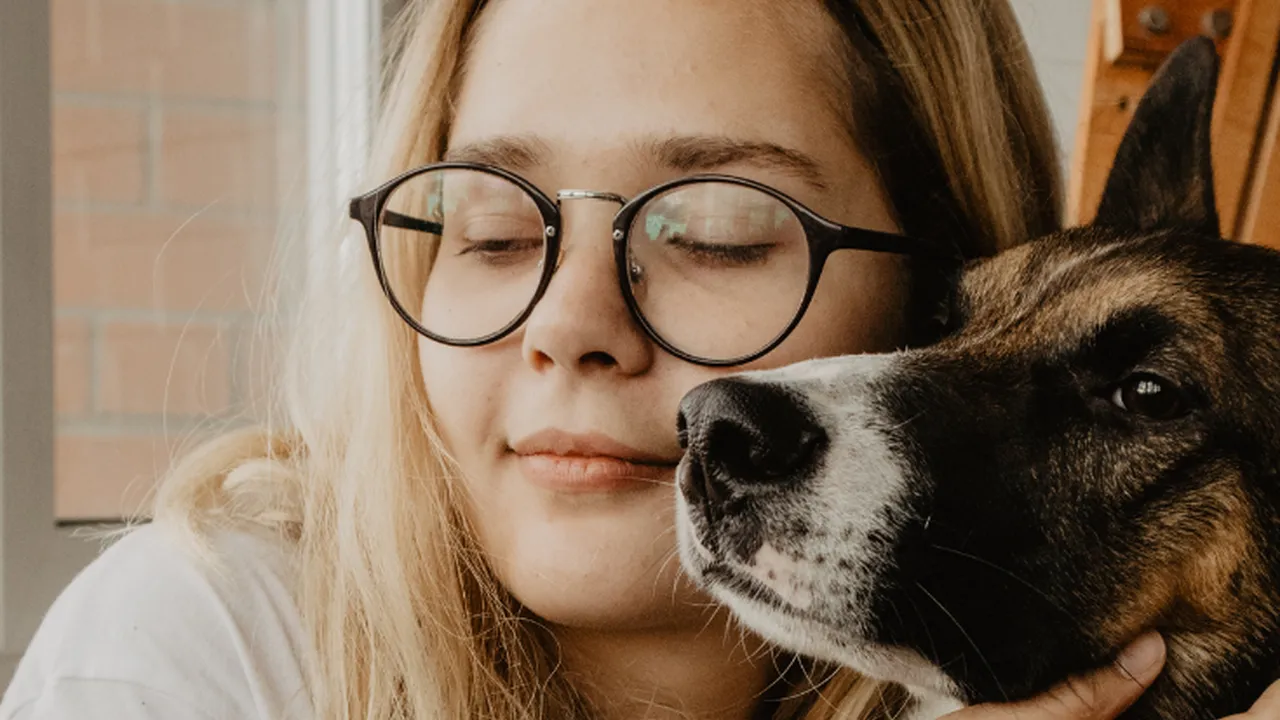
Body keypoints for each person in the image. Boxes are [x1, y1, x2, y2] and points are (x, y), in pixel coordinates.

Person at [4, 1, 1279, 718]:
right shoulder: (197, 657)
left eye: (717, 232)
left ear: (925, 280)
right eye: (493, 226)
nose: (567, 320)